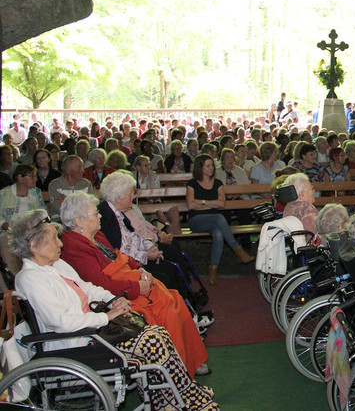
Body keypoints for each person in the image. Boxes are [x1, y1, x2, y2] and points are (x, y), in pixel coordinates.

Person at [10, 210, 218, 409]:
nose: (60, 243)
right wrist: (105, 316)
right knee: (153, 339)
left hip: (92, 333)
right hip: (77, 344)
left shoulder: (56, 266)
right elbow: (62, 322)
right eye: (54, 239)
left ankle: (176, 396)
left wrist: (113, 300)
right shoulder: (30, 279)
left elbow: (89, 289)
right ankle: (175, 399)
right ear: (33, 246)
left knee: (156, 333)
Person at [58, 193, 211, 377]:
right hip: (118, 296)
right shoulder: (74, 247)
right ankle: (175, 370)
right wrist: (137, 287)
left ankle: (189, 361)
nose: (100, 216)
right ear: (78, 220)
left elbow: (119, 255)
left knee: (175, 298)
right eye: (94, 213)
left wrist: (140, 268)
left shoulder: (96, 235)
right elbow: (101, 283)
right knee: (167, 309)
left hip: (131, 284)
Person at [186, 154, 254, 285]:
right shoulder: (192, 184)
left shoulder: (217, 183)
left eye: (212, 165)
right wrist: (210, 202)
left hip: (214, 221)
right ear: (200, 168)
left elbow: (221, 204)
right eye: (208, 165)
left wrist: (201, 202)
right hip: (196, 220)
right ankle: (237, 250)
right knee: (219, 217)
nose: (212, 168)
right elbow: (190, 205)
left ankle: (213, 269)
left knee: (218, 234)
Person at [0, 164, 46, 231]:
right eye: (32, 176)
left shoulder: (36, 192)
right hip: (9, 233)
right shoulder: (4, 193)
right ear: (20, 178)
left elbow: (43, 213)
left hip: (32, 232)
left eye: (35, 176)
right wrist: (5, 225)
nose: (35, 179)